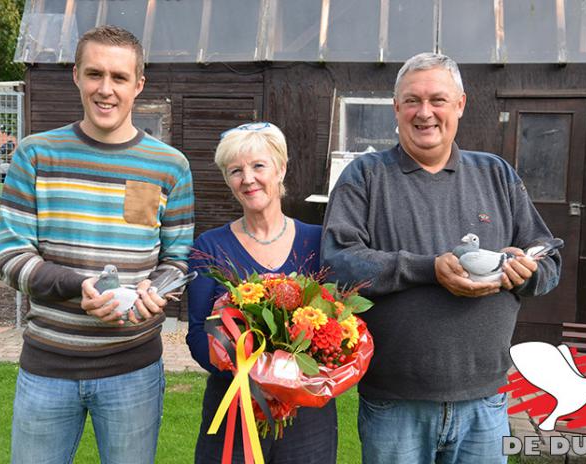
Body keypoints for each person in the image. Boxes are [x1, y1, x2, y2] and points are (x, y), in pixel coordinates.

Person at [321, 52, 561, 464]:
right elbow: (337, 264)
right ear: (396, 109)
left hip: (486, 402)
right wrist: (428, 267)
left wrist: (526, 272)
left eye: (438, 99)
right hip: (395, 403)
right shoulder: (365, 177)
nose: (424, 112)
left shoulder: (497, 174)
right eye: (412, 100)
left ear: (461, 105)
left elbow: (550, 261)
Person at [0, 25, 194, 464]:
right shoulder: (35, 155)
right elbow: (11, 257)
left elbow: (177, 261)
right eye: (95, 74)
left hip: (133, 368)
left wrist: (153, 292)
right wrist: (77, 285)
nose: (106, 90)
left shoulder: (170, 166)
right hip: (48, 365)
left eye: (119, 78)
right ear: (76, 76)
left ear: (138, 84)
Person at [186, 122, 337, 463]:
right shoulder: (209, 247)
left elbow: (337, 323)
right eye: (236, 171)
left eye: (258, 166)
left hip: (306, 412)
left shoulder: (318, 241)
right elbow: (197, 333)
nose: (248, 178)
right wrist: (251, 378)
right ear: (228, 180)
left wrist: (294, 379)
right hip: (235, 405)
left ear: (281, 168)